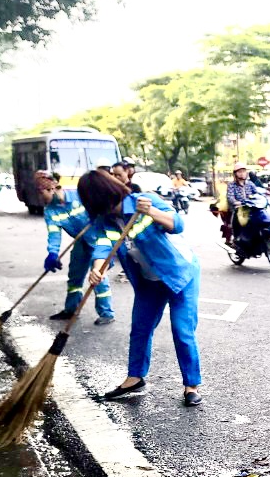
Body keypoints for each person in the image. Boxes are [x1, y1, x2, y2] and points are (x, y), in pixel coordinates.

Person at [77, 170, 204, 407]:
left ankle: (191, 385)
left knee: (182, 329)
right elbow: (103, 247)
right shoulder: (104, 220)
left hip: (179, 274)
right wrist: (97, 269)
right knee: (140, 328)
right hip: (148, 282)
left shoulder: (143, 201)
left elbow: (177, 224)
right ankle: (134, 378)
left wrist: (152, 212)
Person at [37, 170, 115, 325]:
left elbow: (100, 206)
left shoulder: (78, 194)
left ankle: (106, 313)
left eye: (41, 192)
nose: (40, 197)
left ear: (51, 188)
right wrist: (52, 253)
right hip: (81, 241)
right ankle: (71, 309)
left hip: (98, 239)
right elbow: (54, 234)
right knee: (75, 275)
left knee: (98, 276)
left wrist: (96, 216)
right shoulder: (50, 211)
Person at [226, 163, 260, 247]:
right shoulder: (231, 185)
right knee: (237, 220)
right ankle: (236, 239)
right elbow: (230, 197)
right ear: (235, 174)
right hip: (239, 209)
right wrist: (236, 202)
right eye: (239, 172)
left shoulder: (250, 184)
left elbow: (257, 194)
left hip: (252, 207)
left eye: (243, 171)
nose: (242, 173)